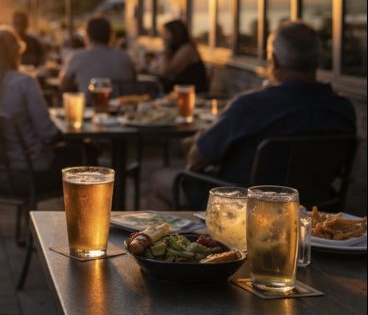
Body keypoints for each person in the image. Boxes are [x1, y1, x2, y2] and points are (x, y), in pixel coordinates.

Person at [148, 20, 357, 210]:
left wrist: (200, 139)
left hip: (239, 208)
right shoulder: (343, 109)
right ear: (316, 61)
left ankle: (167, 248)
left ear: (273, 61)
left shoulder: (251, 105)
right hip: (311, 207)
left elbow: (195, 159)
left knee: (158, 179)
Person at [0, 26, 77, 193]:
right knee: (84, 156)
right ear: (15, 52)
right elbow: (48, 133)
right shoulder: (24, 83)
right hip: (26, 177)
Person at [59, 14, 136, 95]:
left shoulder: (77, 57)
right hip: (123, 106)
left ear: (87, 35)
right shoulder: (125, 58)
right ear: (110, 35)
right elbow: (134, 83)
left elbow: (63, 86)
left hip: (89, 105)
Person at [157, 19, 208, 93]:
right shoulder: (175, 49)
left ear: (176, 33)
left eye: (167, 33)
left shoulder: (187, 49)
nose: (163, 37)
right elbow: (158, 69)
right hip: (181, 90)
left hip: (192, 93)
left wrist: (164, 51)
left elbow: (165, 72)